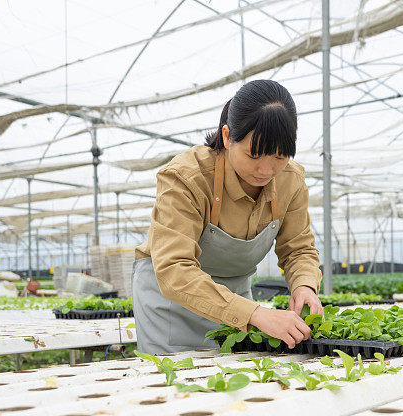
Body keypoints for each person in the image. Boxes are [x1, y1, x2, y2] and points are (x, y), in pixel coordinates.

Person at [132, 79, 323, 354]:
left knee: (238, 388)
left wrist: (305, 286)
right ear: (226, 136)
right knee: (176, 390)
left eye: (280, 157)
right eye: (254, 154)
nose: (266, 170)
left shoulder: (290, 180)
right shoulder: (187, 177)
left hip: (238, 306)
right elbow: (174, 268)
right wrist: (255, 314)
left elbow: (298, 248)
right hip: (173, 306)